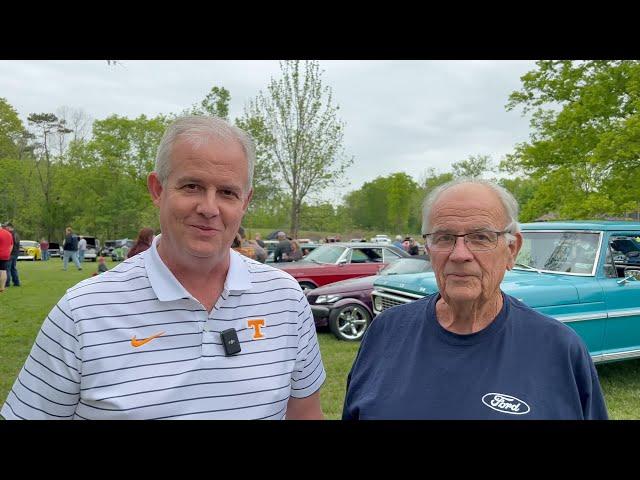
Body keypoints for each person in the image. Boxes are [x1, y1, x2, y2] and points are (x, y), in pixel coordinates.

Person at [1, 115, 325, 420]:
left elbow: (305, 414)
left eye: (227, 192)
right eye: (192, 187)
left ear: (245, 201)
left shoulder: (285, 298)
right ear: (158, 189)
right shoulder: (84, 311)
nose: (209, 208)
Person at [343, 179, 608, 420]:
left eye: (480, 237)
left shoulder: (559, 348)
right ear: (429, 248)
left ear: (512, 250)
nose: (460, 254)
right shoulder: (384, 332)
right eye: (444, 238)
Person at [4, 222, 20, 287]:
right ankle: (16, 282)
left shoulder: (9, 234)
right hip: (15, 253)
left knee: (7, 269)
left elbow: (10, 244)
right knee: (13, 268)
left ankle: (7, 283)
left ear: (9, 227)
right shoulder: (16, 234)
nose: (5, 228)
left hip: (10, 253)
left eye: (6, 227)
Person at [0, 223, 13, 293]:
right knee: (3, 270)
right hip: (6, 255)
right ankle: (2, 287)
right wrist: (8, 253)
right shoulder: (8, 234)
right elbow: (11, 244)